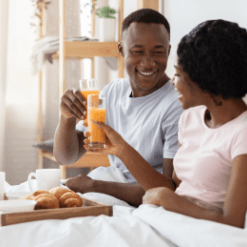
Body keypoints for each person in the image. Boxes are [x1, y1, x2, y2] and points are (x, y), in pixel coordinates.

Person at [84, 19, 247, 228]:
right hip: (166, 218)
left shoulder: (241, 134)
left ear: (205, 80)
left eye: (178, 74)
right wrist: (121, 149)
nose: (172, 82)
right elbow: (177, 187)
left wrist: (169, 201)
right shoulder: (191, 118)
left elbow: (232, 221)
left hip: (202, 230)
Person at [53, 9, 184, 206]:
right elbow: (66, 156)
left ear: (168, 50)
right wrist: (67, 118)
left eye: (158, 52)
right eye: (137, 51)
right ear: (122, 50)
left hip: (139, 198)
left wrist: (95, 186)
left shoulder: (176, 106)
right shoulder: (113, 91)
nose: (148, 63)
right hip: (108, 183)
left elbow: (168, 191)